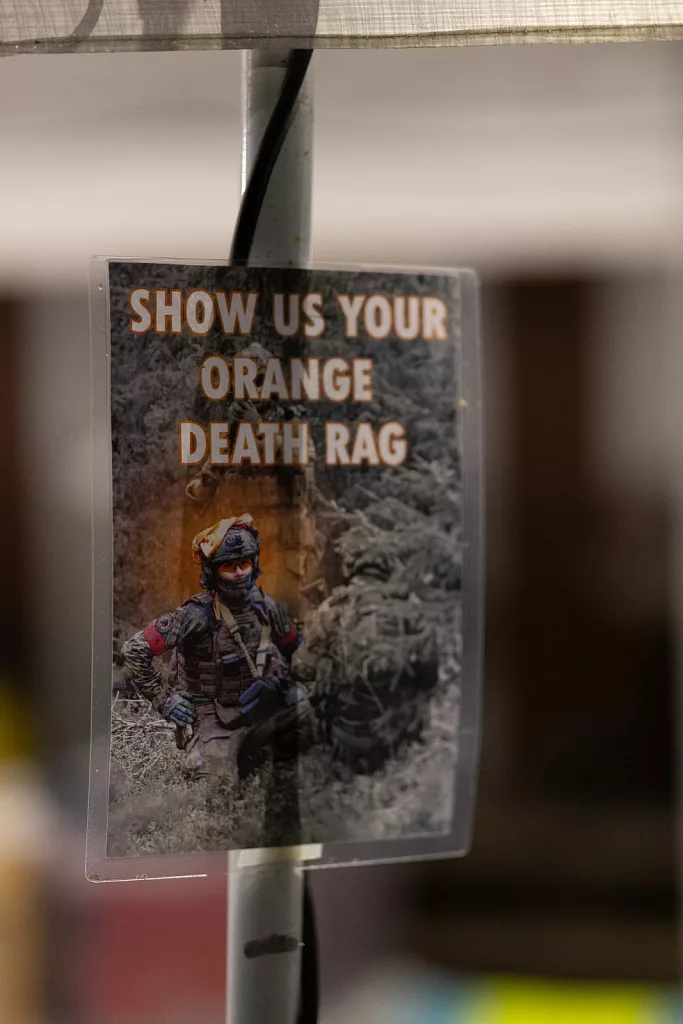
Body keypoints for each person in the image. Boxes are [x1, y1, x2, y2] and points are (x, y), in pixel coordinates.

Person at [121, 514, 316, 778]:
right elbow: (134, 650)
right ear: (212, 572)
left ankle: (263, 763)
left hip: (258, 705)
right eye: (229, 566)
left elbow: (295, 649)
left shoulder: (265, 605)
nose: (239, 573)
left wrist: (298, 680)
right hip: (211, 715)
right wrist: (165, 701)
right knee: (209, 773)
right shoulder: (195, 615)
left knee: (311, 718)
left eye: (244, 564)